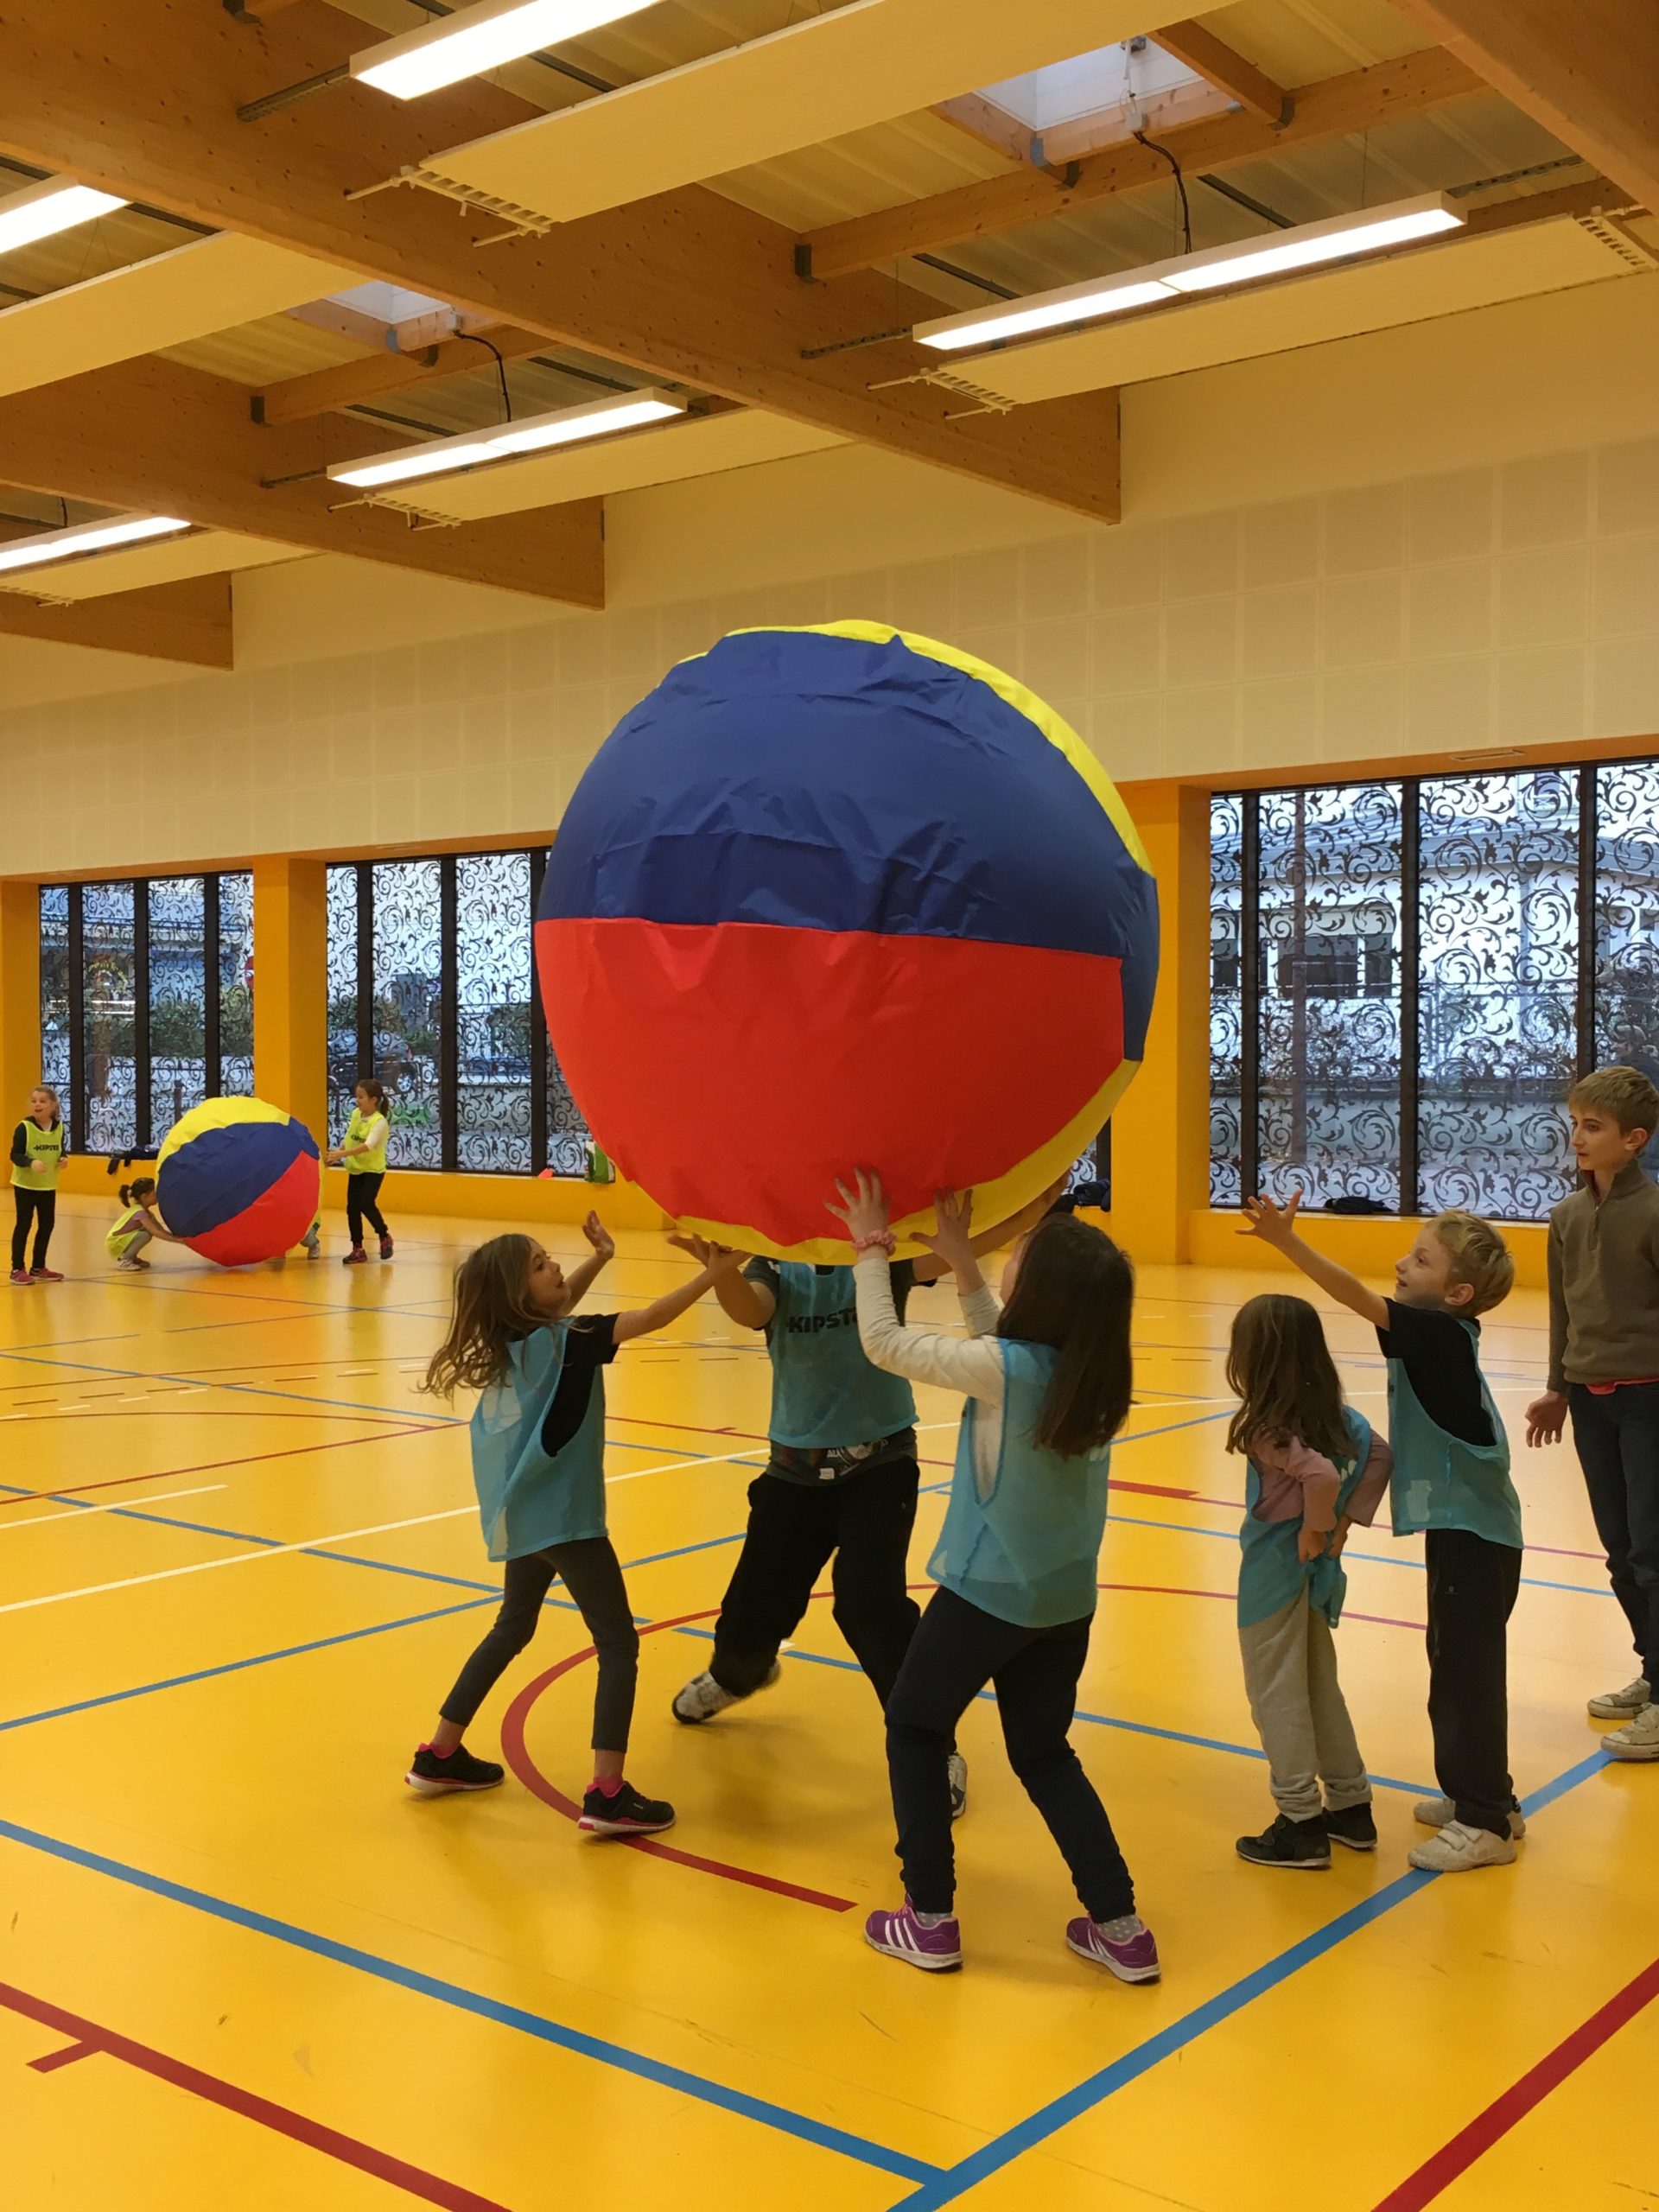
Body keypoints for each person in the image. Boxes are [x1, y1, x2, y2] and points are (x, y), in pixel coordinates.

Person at [832, 1172, 1156, 1984]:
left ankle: (930, 1919)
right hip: (1064, 1600)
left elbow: (886, 1345)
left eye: (1018, 1255)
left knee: (914, 1727)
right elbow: (1003, 1355)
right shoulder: (1089, 1371)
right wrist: (967, 1269)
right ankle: (1121, 1927)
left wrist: (871, 1247)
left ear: (1038, 1291)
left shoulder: (1014, 1369)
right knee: (1044, 1754)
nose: (1007, 1256)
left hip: (988, 1595)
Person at [668, 1181, 1061, 1824]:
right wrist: (720, 1273)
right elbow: (750, 1309)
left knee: (872, 1608)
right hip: (793, 1469)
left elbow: (951, 1251)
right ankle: (738, 1674)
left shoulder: (877, 1264)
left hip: (879, 1463)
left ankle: (933, 1747)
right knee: (751, 1609)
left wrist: (1030, 1211)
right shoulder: (778, 1266)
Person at [410, 1214, 741, 1835]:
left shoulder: (519, 1345)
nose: (556, 1266)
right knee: (618, 1644)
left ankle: (441, 1752)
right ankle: (607, 1790)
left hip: (524, 1516)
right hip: (566, 1520)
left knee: (512, 1627)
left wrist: (602, 1258)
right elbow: (648, 1320)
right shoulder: (566, 1341)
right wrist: (714, 1275)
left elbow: (562, 1317)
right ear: (518, 1295)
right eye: (541, 1265)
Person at [1241, 1194, 1524, 1872]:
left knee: (1464, 1677)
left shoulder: (1440, 1334)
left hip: (1476, 1535)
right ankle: (1487, 1799)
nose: (1403, 1263)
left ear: (1457, 1293)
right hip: (1466, 1531)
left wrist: (1288, 1244)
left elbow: (1356, 1298)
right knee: (1454, 1668)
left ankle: (1486, 1818)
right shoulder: (1435, 1335)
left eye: (1421, 1259)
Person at [1225, 1294, 1392, 1870]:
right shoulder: (1343, 1420)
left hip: (1276, 1573)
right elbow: (1380, 1456)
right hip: (1319, 1575)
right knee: (1320, 1687)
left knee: (1276, 1695)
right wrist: (1343, 1527)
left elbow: (1318, 1475)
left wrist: (1317, 1529)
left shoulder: (1268, 1429)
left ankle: (1299, 1821)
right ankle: (1350, 1805)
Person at [1527, 1065, 1659, 1763]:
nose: (1578, 1136)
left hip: (1649, 1401)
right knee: (1618, 1551)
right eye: (1575, 1122)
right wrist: (1557, 1384)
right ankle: (1653, 1669)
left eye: (1594, 1126)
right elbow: (1562, 1309)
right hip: (1589, 1400)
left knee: (1652, 1550)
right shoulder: (1565, 1217)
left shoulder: (1654, 1213)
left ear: (1633, 1141)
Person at [328, 1079, 393, 1266]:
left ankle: (384, 1235)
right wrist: (337, 1153)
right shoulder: (356, 1114)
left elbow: (368, 1145)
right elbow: (350, 1138)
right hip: (356, 1169)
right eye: (356, 1096)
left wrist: (343, 1154)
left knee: (366, 1203)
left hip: (373, 1170)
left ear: (373, 1100)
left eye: (361, 1097)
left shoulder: (379, 1122)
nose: (357, 1101)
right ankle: (357, 1248)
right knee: (352, 1208)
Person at [10, 1085, 66, 1286]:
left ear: (52, 1105)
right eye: (34, 1101)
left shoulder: (59, 1127)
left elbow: (60, 1150)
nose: (37, 1104)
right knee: (24, 1224)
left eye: (42, 1101)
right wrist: (30, 1162)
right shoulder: (24, 1127)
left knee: (47, 1225)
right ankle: (17, 1268)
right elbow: (14, 1155)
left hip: (47, 1185)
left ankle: (38, 1266)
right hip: (25, 1184)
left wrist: (63, 1159)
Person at [107, 1176, 185, 1272]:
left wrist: (179, 1238)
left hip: (121, 1241)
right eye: (154, 1194)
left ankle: (132, 1257)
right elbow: (155, 1232)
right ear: (144, 1196)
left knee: (144, 1233)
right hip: (116, 1243)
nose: (157, 1196)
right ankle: (125, 1260)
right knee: (145, 1234)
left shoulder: (147, 1213)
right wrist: (179, 1241)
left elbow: (160, 1229)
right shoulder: (140, 1213)